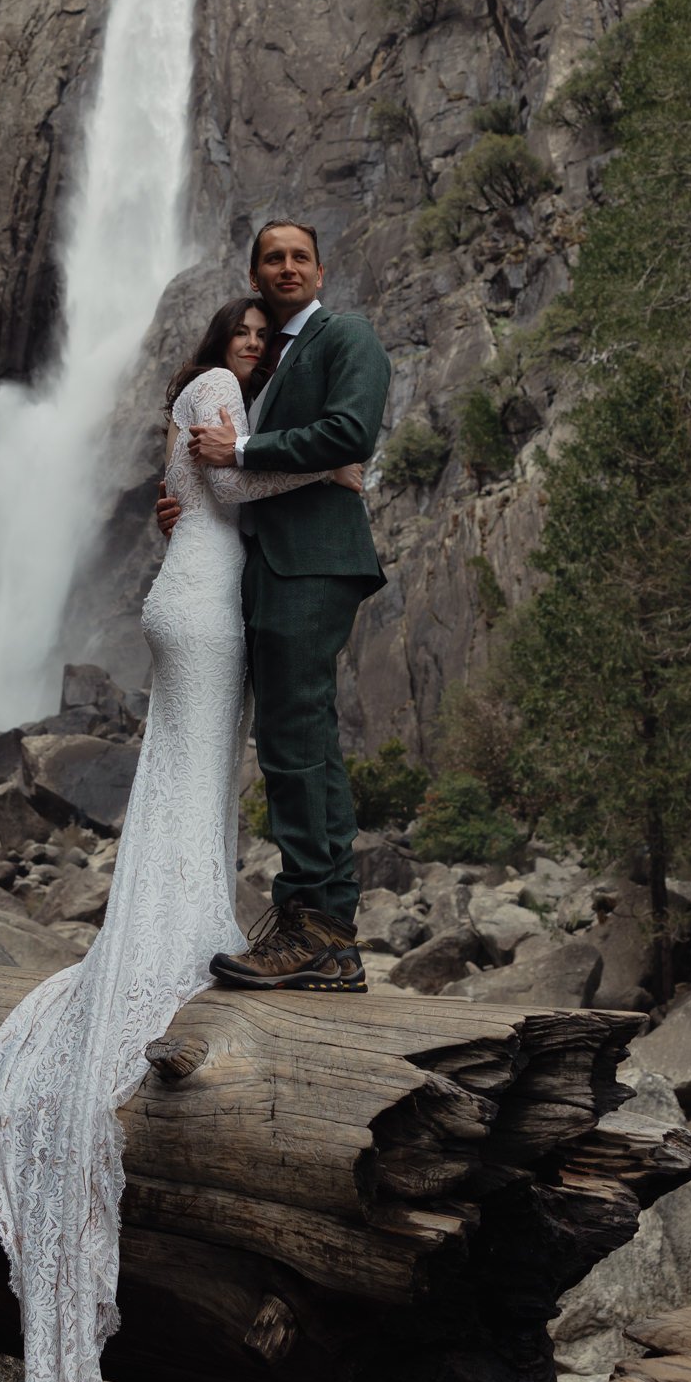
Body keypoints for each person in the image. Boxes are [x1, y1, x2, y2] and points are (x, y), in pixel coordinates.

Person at [0, 295, 363, 1382]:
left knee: (192, 776)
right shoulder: (223, 397)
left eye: (254, 332)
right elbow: (227, 492)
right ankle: (180, 932)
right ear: (215, 347)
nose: (245, 342)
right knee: (196, 772)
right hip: (203, 608)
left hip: (191, 592)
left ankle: (187, 920)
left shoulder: (213, 402)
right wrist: (331, 472)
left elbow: (195, 494)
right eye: (234, 329)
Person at [161, 219, 391, 994]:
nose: (286, 267)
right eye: (272, 258)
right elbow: (231, 470)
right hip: (265, 565)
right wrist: (189, 510)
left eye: (298, 256)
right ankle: (320, 928)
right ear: (255, 274)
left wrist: (245, 453)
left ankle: (316, 931)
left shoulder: (343, 335)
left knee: (296, 741)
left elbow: (350, 430)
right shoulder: (255, 367)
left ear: (320, 271)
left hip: (313, 564)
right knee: (297, 742)